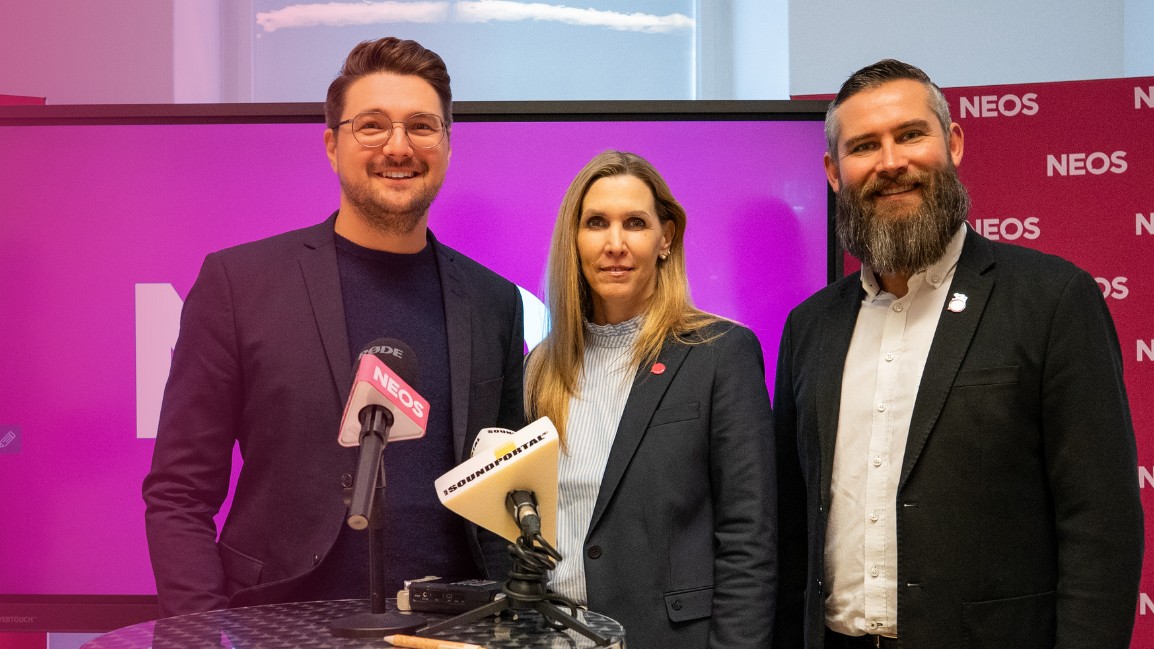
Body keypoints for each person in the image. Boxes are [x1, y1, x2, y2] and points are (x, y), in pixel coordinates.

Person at [142, 37, 525, 617]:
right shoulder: (238, 285)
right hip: (278, 624)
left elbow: (504, 491)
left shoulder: (493, 301)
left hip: (454, 628)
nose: (399, 146)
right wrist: (202, 632)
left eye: (422, 126)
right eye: (372, 125)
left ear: (447, 144)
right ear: (331, 145)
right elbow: (179, 493)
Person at [773, 59, 1143, 649]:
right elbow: (791, 524)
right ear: (834, 172)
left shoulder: (1052, 300)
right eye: (864, 146)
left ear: (954, 143)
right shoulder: (809, 326)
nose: (891, 162)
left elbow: (1101, 524)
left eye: (910, 135)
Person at [524, 150, 776, 649]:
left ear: (666, 238)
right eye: (596, 223)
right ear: (574, 240)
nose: (615, 244)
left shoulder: (720, 353)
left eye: (635, 223)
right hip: (550, 638)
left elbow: (749, 539)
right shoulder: (540, 368)